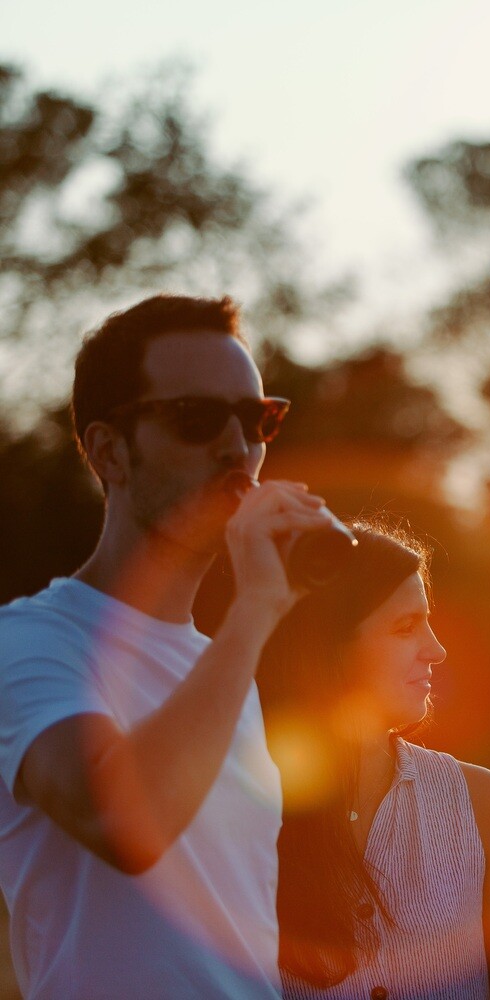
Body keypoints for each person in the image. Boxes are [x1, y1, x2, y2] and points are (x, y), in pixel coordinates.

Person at [0, 294, 339, 996]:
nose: (237, 448)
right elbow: (119, 819)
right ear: (109, 452)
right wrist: (255, 610)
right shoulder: (28, 641)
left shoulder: (223, 667)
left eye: (257, 419)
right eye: (195, 418)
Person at [258, 518, 490, 999]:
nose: (437, 650)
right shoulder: (249, 805)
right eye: (405, 628)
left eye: (429, 621)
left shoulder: (479, 801)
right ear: (327, 646)